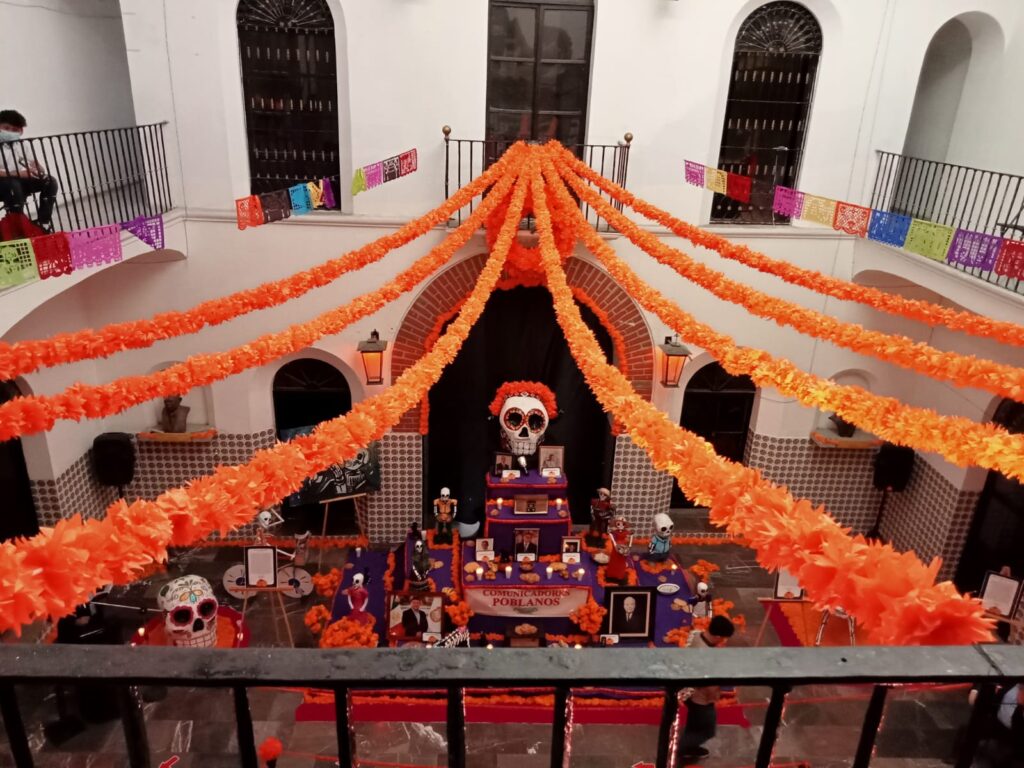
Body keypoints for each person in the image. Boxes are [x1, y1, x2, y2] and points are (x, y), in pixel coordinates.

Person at [680, 616, 736, 763]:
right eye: (723, 638)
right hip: (701, 699)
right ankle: (678, 748)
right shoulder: (705, 655)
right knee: (707, 731)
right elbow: (708, 683)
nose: (722, 641)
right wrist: (715, 695)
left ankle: (688, 749)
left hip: (690, 694)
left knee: (693, 725)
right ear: (717, 636)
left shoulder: (696, 634)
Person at [0, 110, 59, 231]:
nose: (10, 132)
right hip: (3, 185)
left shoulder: (21, 145)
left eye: (15, 130)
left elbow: (33, 162)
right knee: (14, 184)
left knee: (50, 181)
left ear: (21, 131)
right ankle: (18, 225)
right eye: (6, 128)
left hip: (15, 182)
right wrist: (18, 174)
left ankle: (43, 223)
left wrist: (38, 169)